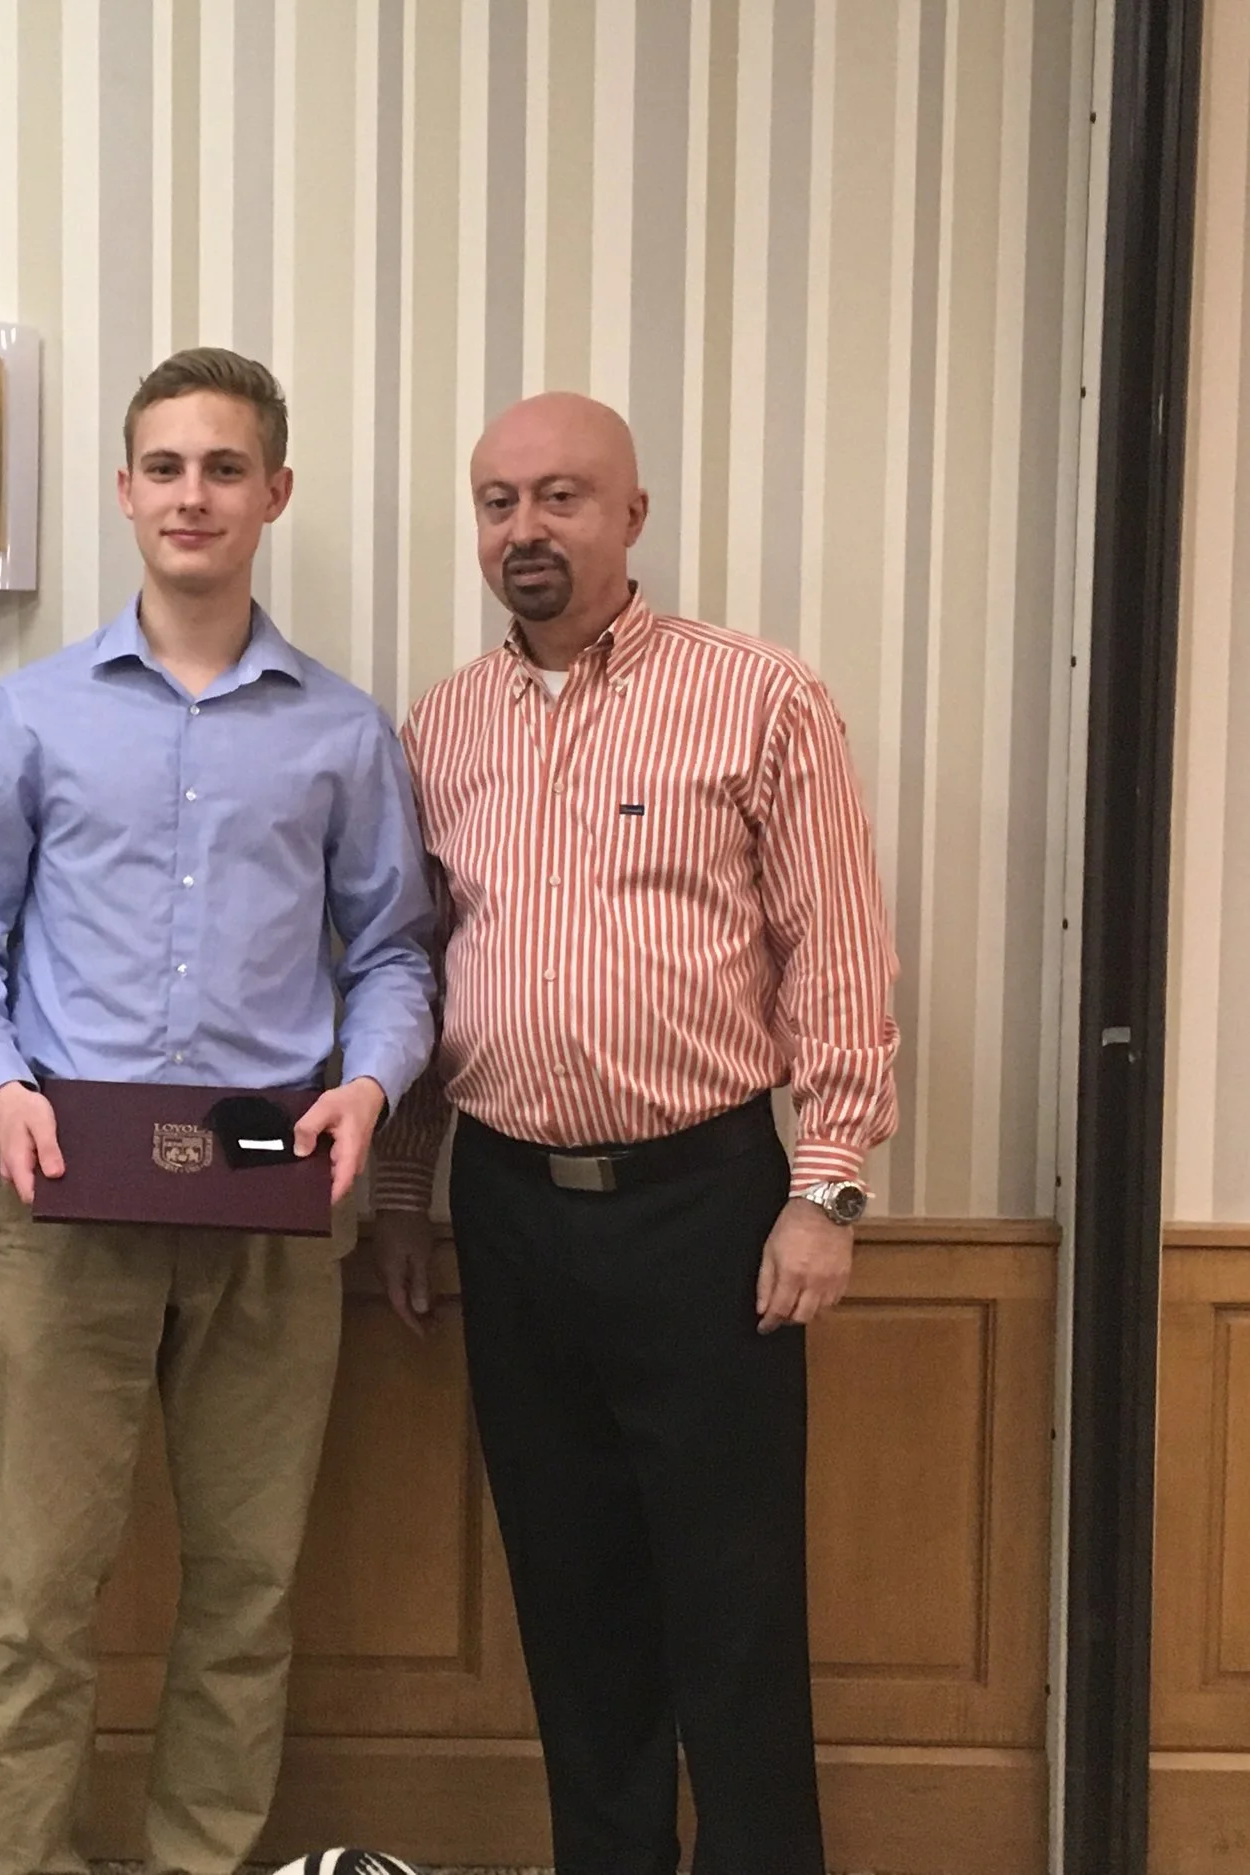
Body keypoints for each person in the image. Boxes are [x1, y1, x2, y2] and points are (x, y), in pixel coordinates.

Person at [0, 347, 439, 1875]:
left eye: (223, 466)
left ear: (274, 492)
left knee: (247, 1591)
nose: (191, 493)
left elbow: (394, 949)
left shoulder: (341, 731)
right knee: (38, 1599)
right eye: (163, 465)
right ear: (125, 490)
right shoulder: (36, 713)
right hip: (67, 1201)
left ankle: (203, 1861)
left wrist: (371, 1083)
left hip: (275, 1214)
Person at [371, 391, 900, 1875]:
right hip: (513, 1209)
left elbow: (838, 955)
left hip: (707, 1207)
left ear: (633, 517)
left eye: (559, 497)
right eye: (496, 502)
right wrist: (407, 1189)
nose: (523, 531)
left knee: (730, 1602)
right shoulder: (444, 724)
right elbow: (416, 970)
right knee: (571, 1590)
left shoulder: (757, 696)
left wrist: (829, 1188)